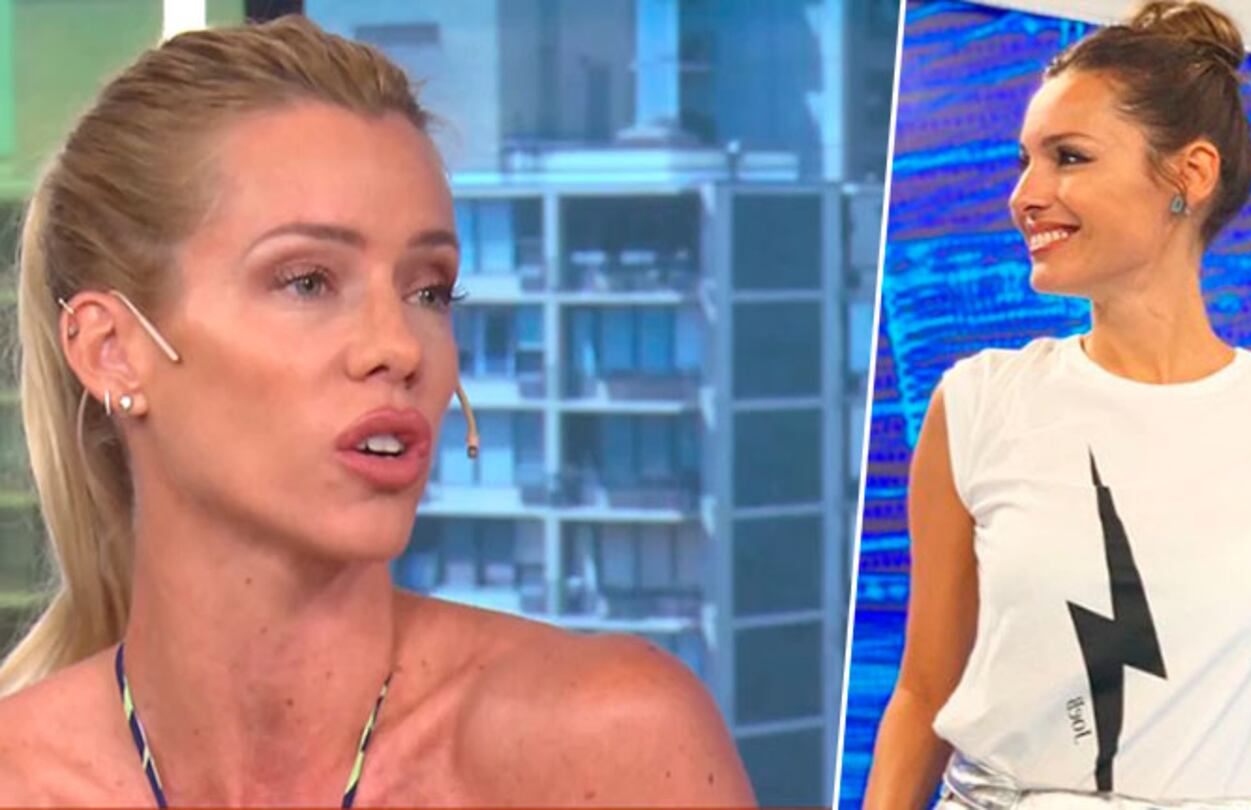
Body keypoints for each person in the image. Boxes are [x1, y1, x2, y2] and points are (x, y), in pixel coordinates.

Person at [0, 16, 754, 806]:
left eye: (427, 290)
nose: (398, 348)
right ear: (112, 350)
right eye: (307, 282)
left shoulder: (608, 748)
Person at [863, 2, 1251, 808]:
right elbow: (923, 691)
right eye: (1024, 161)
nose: (1025, 195)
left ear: (1190, 175)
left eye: (1068, 157)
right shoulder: (979, 402)